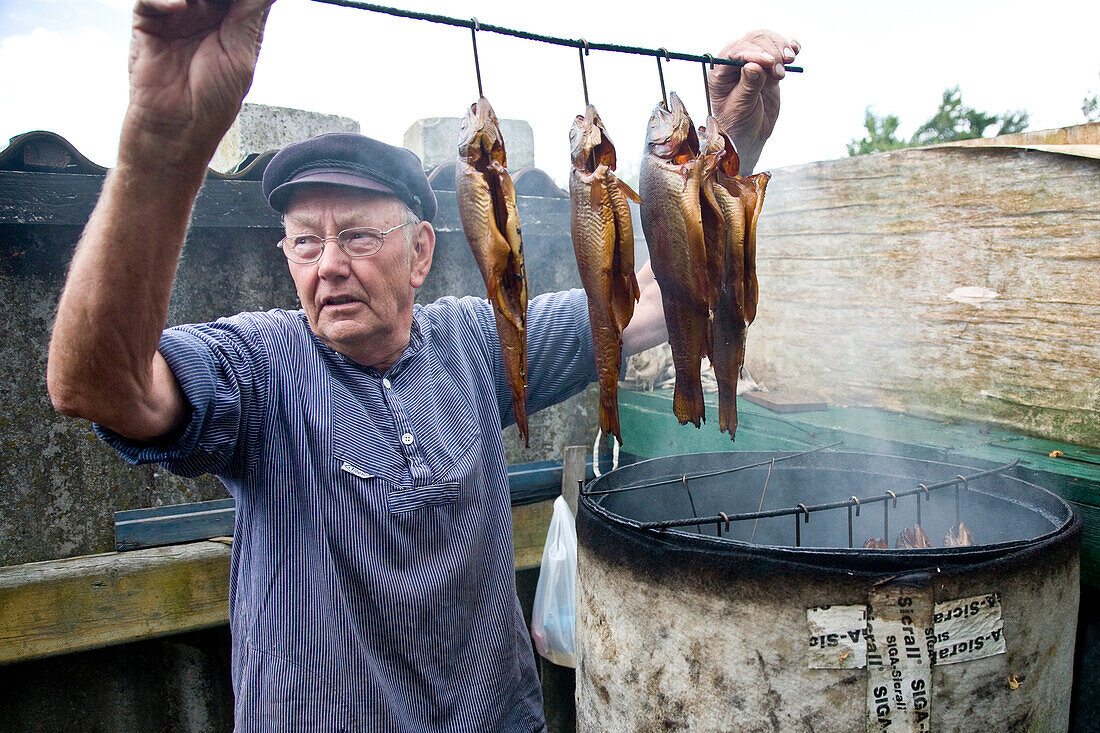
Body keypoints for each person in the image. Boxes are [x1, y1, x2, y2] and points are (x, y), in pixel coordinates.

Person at [45, 0, 799, 730]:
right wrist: (161, 140)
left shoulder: (471, 340)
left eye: (358, 237)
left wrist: (725, 149)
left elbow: (648, 300)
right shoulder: (260, 368)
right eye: (305, 242)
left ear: (421, 253)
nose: (328, 266)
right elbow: (95, 383)